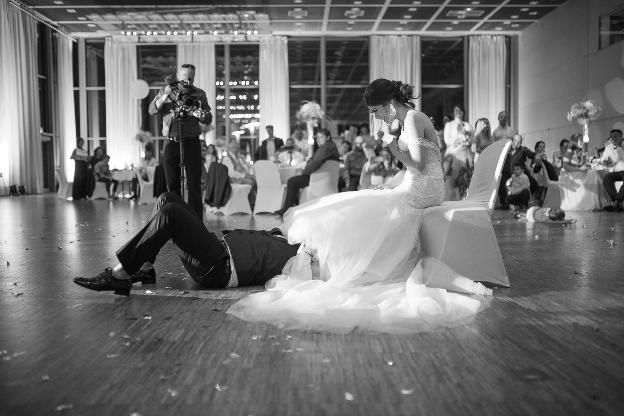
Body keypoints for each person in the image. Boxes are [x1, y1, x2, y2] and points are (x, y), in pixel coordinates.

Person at [229, 79, 492, 334]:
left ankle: (342, 264)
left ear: (389, 103)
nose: (377, 117)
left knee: (359, 205)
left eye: (377, 111)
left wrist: (392, 148)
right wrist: (389, 184)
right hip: (420, 184)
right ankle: (337, 260)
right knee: (366, 198)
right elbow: (410, 170)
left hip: (426, 188)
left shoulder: (412, 118)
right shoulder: (409, 120)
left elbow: (420, 166)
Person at [73, 192, 300, 295]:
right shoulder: (287, 235)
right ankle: (145, 268)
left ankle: (121, 274)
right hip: (219, 246)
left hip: (221, 267)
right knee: (166, 198)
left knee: (171, 213)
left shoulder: (304, 256)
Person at [148, 63, 212, 220]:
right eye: (185, 76)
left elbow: (208, 118)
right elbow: (152, 110)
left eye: (191, 77)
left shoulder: (199, 93)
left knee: (194, 185)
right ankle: (175, 222)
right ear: (177, 76)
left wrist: (201, 115)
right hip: (171, 142)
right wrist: (165, 96)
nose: (188, 80)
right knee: (172, 185)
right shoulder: (166, 90)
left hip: (192, 142)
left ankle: (196, 224)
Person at [274, 129, 340, 216]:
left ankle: (286, 209)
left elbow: (315, 163)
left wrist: (304, 172)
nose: (318, 139)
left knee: (292, 181)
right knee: (295, 181)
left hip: (317, 179)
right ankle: (294, 207)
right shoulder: (331, 147)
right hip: (324, 179)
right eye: (317, 137)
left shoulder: (326, 148)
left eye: (321, 137)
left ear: (328, 137)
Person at [498, 134, 537, 208]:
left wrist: (536, 157)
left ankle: (523, 202)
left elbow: (531, 154)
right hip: (507, 174)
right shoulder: (505, 150)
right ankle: (505, 203)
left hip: (520, 174)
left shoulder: (523, 149)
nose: (517, 143)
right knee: (500, 181)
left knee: (533, 183)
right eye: (515, 141)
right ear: (511, 141)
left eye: (519, 142)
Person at [601, 129, 624, 211]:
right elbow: (603, 161)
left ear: (621, 137)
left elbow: (622, 157)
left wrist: (619, 147)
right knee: (606, 178)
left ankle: (615, 203)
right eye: (611, 137)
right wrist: (609, 163)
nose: (613, 139)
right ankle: (617, 202)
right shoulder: (609, 147)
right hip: (617, 171)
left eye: (615, 136)